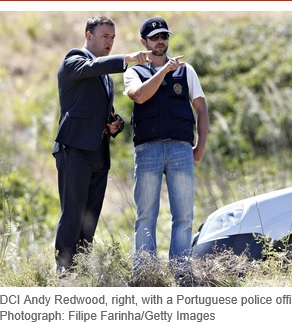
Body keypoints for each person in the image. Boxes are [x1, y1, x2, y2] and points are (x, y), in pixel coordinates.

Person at [53, 15, 152, 274]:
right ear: (88, 35)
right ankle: (63, 270)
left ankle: (81, 268)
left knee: (90, 216)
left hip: (98, 154)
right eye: (105, 36)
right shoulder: (73, 60)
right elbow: (90, 68)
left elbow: (103, 112)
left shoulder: (106, 77)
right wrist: (127, 58)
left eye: (113, 38)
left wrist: (114, 124)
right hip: (74, 150)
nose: (110, 42)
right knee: (73, 213)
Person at [123, 17, 209, 269]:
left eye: (164, 36)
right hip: (147, 150)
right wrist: (164, 71)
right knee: (146, 215)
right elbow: (139, 96)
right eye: (155, 37)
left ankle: (181, 269)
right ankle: (146, 271)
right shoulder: (133, 72)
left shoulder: (186, 70)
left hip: (181, 150)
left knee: (183, 215)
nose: (161, 41)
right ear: (143, 42)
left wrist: (200, 145)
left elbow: (201, 109)